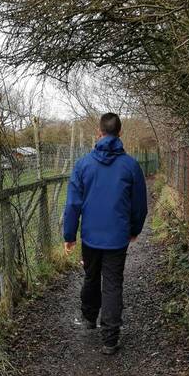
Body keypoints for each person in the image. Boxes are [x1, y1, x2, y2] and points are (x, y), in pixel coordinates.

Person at [63, 112, 148, 355]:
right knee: (112, 284)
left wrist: (69, 236)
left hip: (90, 236)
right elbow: (139, 205)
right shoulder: (131, 166)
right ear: (119, 133)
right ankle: (110, 340)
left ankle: (89, 318)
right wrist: (134, 230)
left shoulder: (83, 165)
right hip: (117, 237)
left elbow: (72, 205)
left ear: (99, 133)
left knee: (91, 276)